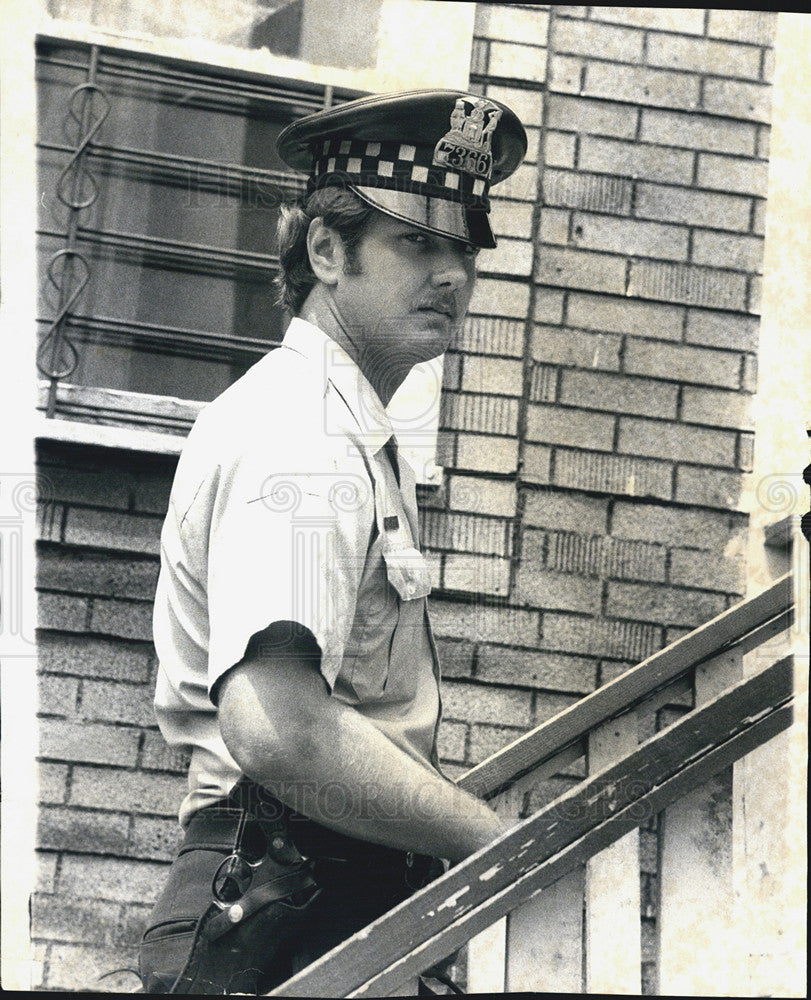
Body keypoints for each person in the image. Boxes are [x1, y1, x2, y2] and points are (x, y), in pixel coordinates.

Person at [138, 89, 527, 995]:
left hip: (321, 893)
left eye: (463, 248)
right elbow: (280, 733)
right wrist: (496, 844)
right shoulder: (301, 435)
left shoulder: (348, 427)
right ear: (325, 251)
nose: (452, 275)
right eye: (416, 242)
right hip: (281, 898)